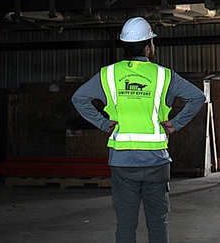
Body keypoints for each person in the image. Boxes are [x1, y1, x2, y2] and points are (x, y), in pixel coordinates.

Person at [72, 17, 207, 243]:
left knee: (125, 223)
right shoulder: (164, 75)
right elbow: (197, 97)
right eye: (152, 43)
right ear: (147, 47)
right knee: (157, 221)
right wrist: (176, 123)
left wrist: (104, 123)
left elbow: (79, 98)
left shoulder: (109, 74)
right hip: (156, 161)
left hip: (122, 162)